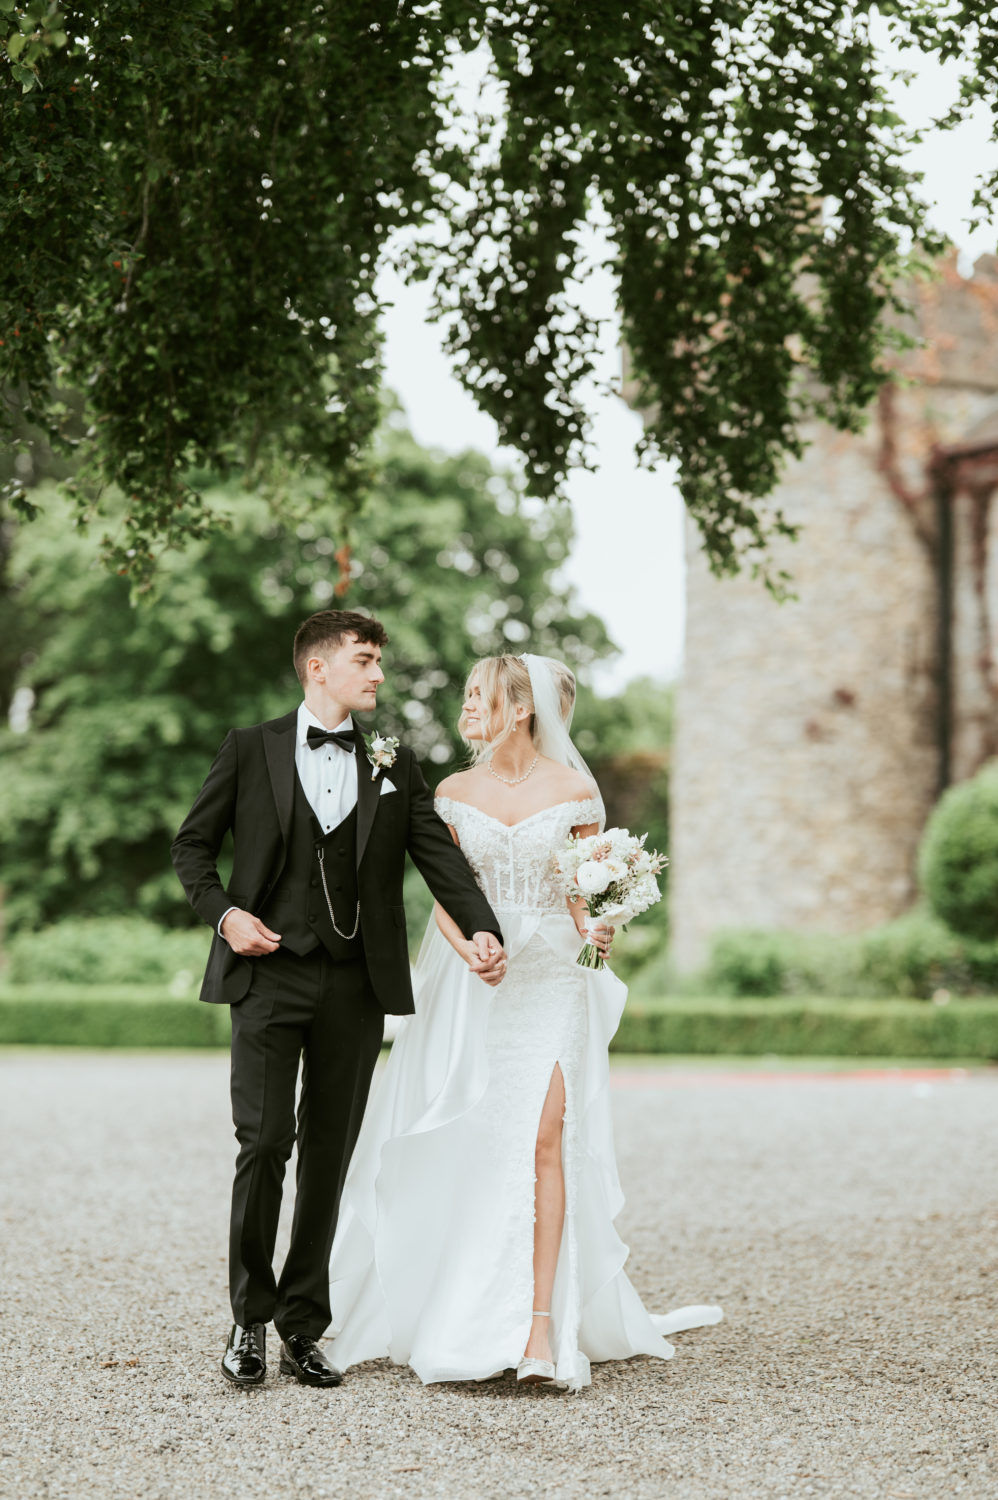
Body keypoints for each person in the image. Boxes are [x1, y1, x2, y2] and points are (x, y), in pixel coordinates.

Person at [326, 652, 722, 1391]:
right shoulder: (451, 793)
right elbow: (447, 894)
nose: (466, 707)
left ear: (521, 707)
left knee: (547, 1138)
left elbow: (582, 890)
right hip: (478, 981)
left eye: (478, 695)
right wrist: (469, 950)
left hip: (552, 980)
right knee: (475, 1136)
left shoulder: (574, 792)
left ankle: (542, 1329)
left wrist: (601, 924)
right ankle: (464, 1309)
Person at [171, 610, 506, 1389]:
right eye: (365, 660)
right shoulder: (249, 747)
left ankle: (302, 1325)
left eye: (379, 661)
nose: (378, 674)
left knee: (329, 1154)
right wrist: (226, 915)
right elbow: (192, 847)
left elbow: (437, 856)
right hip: (265, 975)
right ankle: (248, 1320)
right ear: (318, 667)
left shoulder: (394, 759)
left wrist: (483, 927)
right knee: (264, 1144)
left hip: (355, 984)